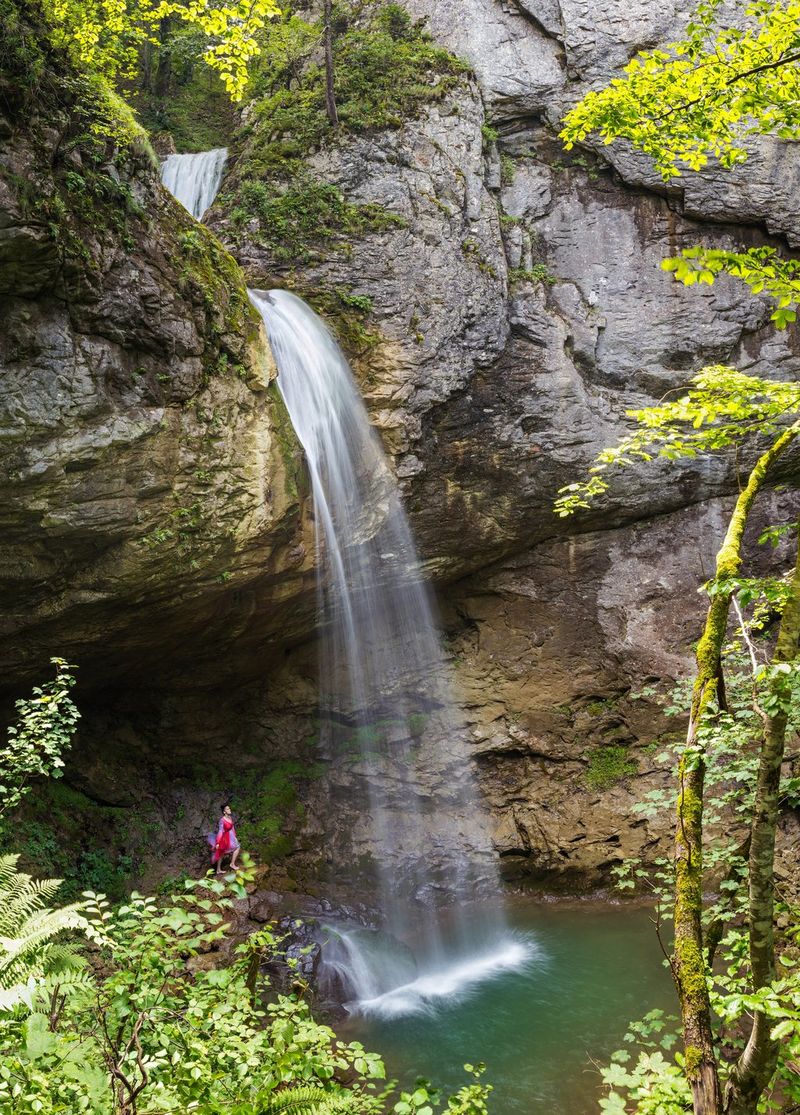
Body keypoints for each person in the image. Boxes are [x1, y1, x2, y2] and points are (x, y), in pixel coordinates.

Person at [211, 802, 241, 875]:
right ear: (224, 812)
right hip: (224, 837)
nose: (229, 809)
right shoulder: (222, 820)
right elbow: (220, 831)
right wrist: (218, 842)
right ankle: (222, 868)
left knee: (236, 847)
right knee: (222, 852)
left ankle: (229, 865)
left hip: (231, 836)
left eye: (229, 808)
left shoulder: (230, 818)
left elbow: (232, 827)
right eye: (227, 809)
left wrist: (234, 836)